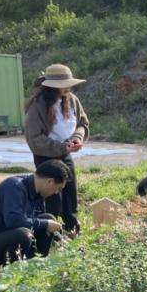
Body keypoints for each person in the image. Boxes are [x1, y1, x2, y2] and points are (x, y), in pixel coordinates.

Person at [25, 64, 89, 235]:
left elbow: (82, 123)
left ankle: (72, 228)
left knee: (70, 191)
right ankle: (52, 233)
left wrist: (77, 138)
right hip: (45, 155)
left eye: (69, 84)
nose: (68, 88)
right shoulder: (38, 105)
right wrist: (61, 146)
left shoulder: (73, 100)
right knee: (52, 196)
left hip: (65, 152)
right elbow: (34, 139)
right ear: (52, 87)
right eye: (63, 85)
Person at [0, 160, 70, 267]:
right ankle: (9, 274)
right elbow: (14, 221)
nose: (56, 192)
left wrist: (61, 238)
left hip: (7, 238)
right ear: (49, 182)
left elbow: (38, 223)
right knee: (24, 234)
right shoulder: (15, 186)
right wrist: (46, 224)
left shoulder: (38, 194)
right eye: (58, 188)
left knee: (48, 219)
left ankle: (34, 268)